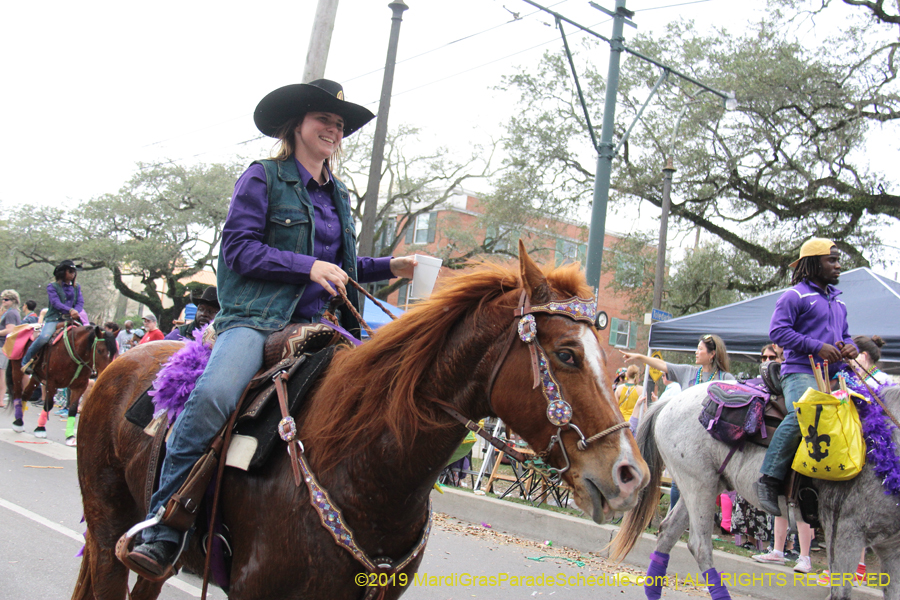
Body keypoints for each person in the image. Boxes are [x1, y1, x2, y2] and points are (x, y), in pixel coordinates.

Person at [125, 78, 419, 577]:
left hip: (321, 326)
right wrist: (305, 266)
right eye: (325, 119)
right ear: (297, 124)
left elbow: (340, 267)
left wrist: (392, 267)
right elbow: (238, 249)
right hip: (257, 322)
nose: (334, 129)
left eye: (340, 125)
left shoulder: (338, 195)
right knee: (217, 393)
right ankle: (164, 522)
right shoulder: (263, 176)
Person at [753, 238, 857, 574]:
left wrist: (850, 347)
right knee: (808, 414)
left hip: (832, 374)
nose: (838, 265)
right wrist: (817, 346)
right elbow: (777, 331)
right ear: (813, 263)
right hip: (798, 371)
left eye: (839, 260)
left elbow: (845, 335)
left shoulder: (838, 304)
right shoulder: (794, 296)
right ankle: (768, 478)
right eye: (833, 260)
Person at [621, 334, 735, 508]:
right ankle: (674, 516)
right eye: (697, 348)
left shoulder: (725, 378)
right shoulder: (688, 372)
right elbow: (662, 365)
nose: (696, 352)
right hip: (686, 441)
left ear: (712, 354)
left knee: (705, 486)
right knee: (678, 483)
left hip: (710, 443)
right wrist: (639, 357)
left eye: (700, 349)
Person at [21, 260, 85, 374]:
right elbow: (55, 303)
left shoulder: (77, 287)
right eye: (70, 271)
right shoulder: (52, 286)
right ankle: (26, 361)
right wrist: (70, 310)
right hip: (54, 319)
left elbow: (80, 301)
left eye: (74, 272)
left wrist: (76, 311)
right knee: (44, 338)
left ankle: (86, 367)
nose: (73, 274)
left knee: (86, 336)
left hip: (71, 319)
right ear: (62, 272)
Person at [0, 290, 23, 409]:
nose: (3, 301)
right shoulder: (9, 312)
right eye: (2, 299)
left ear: (13, 301)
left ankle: (1, 399)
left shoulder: (11, 314)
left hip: (3, 345)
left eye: (6, 299)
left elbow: (10, 330)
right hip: (4, 345)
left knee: (1, 372)